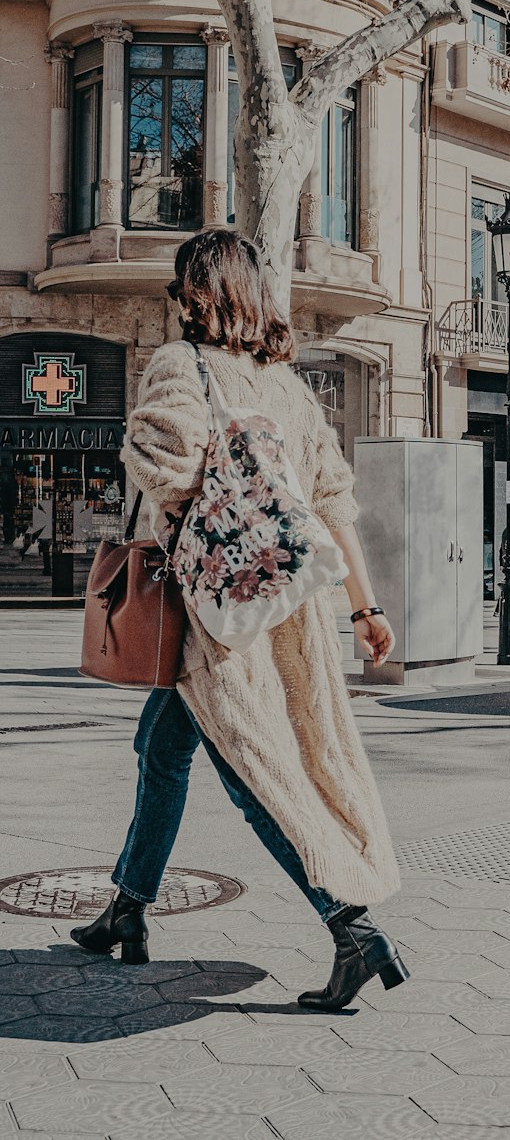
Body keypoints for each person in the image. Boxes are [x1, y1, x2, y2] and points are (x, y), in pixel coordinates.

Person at [68, 229, 407, 1013]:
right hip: (284, 610)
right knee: (159, 748)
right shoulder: (289, 386)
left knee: (256, 774)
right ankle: (129, 907)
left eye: (182, 288)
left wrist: (140, 444)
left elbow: (166, 464)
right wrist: (364, 606)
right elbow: (333, 499)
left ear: (195, 292)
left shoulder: (180, 365)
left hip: (209, 622)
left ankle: (352, 930)